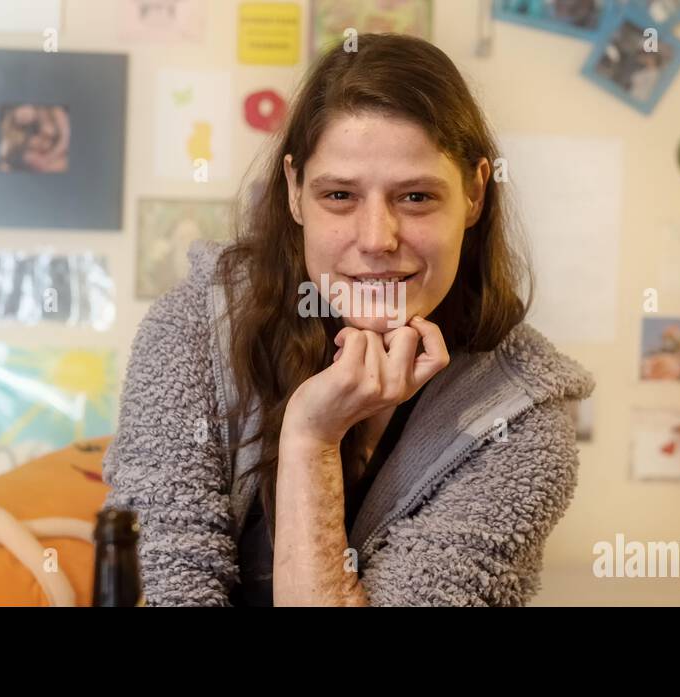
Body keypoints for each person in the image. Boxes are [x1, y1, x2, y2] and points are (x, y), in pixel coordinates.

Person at [101, 34, 594, 606]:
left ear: (476, 192)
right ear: (293, 192)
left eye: (415, 198)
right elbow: (165, 587)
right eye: (339, 195)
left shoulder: (522, 418)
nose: (376, 239)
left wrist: (312, 440)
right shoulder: (195, 332)